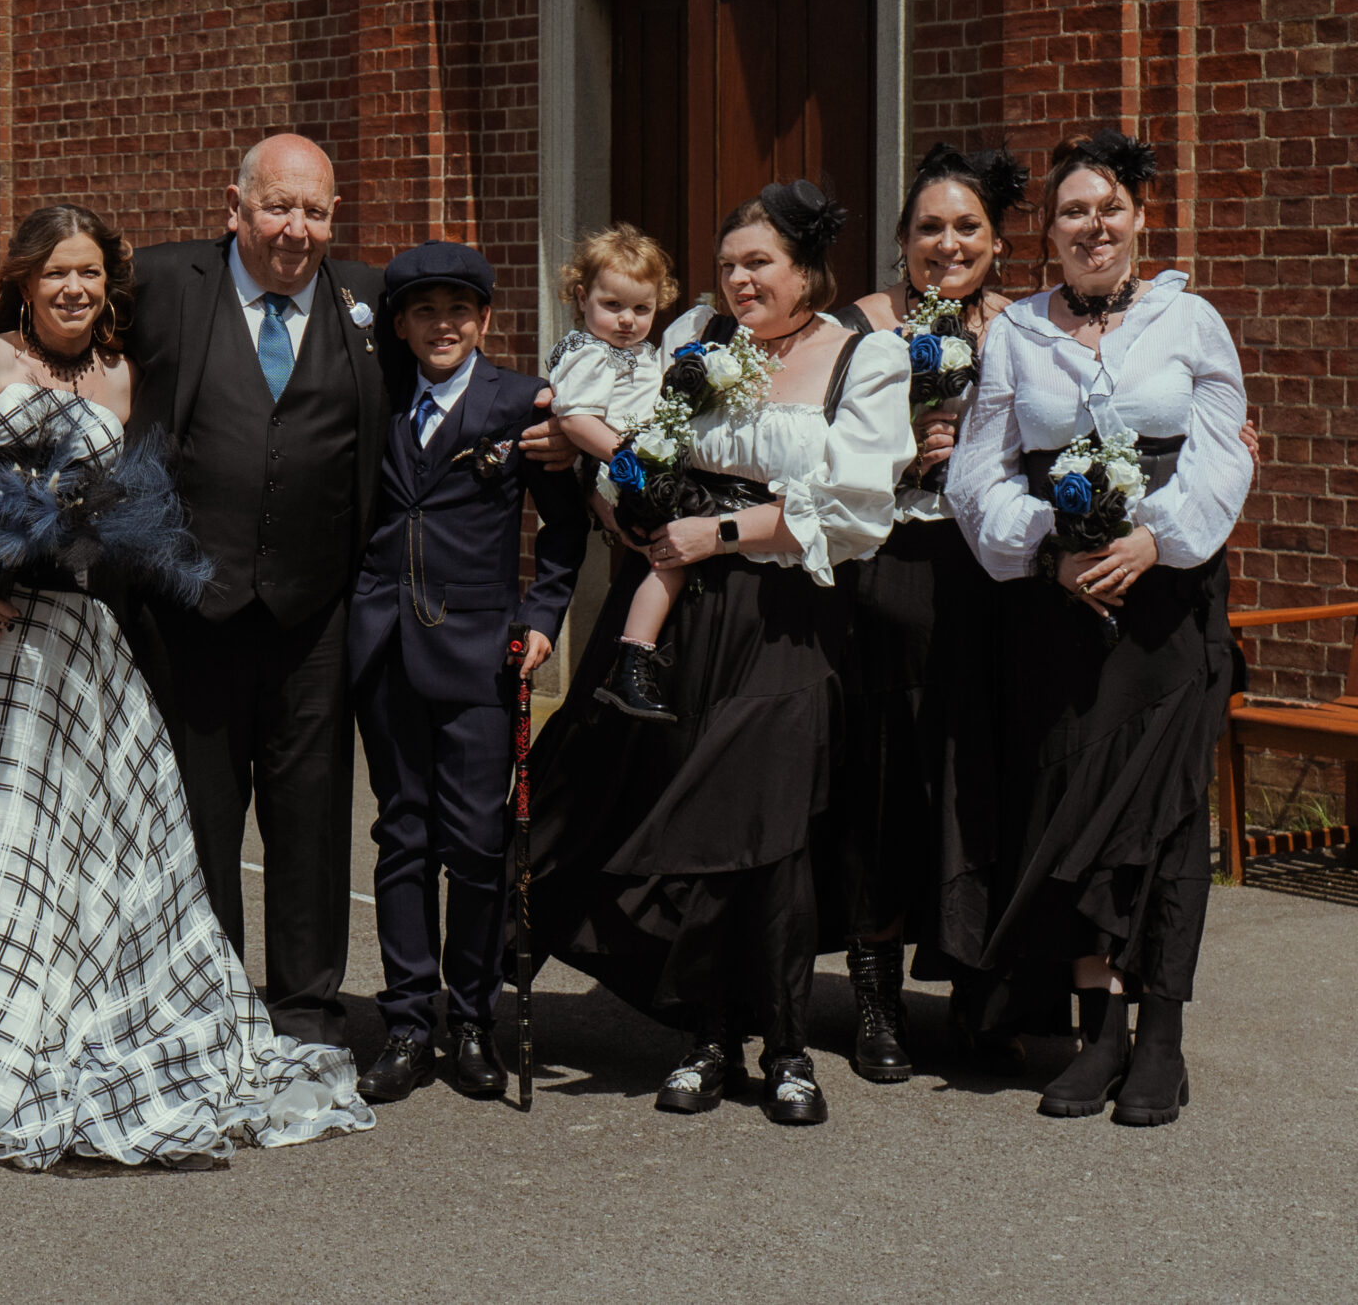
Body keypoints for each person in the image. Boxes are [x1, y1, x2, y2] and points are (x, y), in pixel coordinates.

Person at [0, 203, 374, 1168]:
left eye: (91, 274)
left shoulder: (129, 375)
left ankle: (16, 1039)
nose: (74, 288)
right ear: (24, 280)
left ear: (111, 287)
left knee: (60, 854)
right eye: (56, 272)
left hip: (73, 633)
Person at [0, 135, 388, 1046]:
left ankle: (305, 1009)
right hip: (185, 607)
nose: (296, 228)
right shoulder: (169, 285)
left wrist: (553, 422)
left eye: (316, 211)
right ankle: (204, 1003)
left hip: (312, 614)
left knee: (313, 817)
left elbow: (452, 363)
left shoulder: (366, 301)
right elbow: (63, 320)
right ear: (235, 206)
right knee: (198, 815)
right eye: (278, 206)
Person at [520, 181, 912, 1127]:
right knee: (690, 813)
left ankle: (784, 1046)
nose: (737, 279)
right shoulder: (695, 336)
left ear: (808, 269)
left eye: (758, 262)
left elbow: (858, 509)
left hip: (790, 612)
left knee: (767, 825)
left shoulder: (866, 356)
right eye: (729, 263)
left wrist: (720, 531)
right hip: (683, 601)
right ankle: (705, 1035)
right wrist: (585, 453)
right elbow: (625, 430)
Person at [950, 130, 1253, 1128]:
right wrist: (1049, 548)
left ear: (1137, 220)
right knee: (1073, 815)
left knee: (1164, 824)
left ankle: (1159, 1034)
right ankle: (1098, 1035)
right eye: (1073, 211)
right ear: (1048, 229)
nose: (1093, 226)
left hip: (1170, 606)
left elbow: (1222, 457)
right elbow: (977, 476)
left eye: (1109, 208)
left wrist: (1157, 541)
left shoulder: (1189, 320)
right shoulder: (1017, 337)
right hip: (1063, 610)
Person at [347, 242, 585, 1104]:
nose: (441, 325)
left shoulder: (521, 404)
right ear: (401, 326)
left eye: (458, 310)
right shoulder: (375, 397)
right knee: (401, 834)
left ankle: (474, 1017)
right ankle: (409, 1019)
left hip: (482, 647)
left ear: (484, 320)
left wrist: (541, 618)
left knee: (479, 845)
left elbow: (564, 529)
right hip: (383, 644)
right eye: (423, 311)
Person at [834, 142, 1026, 1084]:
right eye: (928, 228)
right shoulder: (863, 327)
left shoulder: (1029, 325)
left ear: (995, 239)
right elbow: (814, 445)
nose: (947, 243)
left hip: (996, 572)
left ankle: (980, 995)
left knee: (982, 771)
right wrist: (902, 450)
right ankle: (873, 992)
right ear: (902, 241)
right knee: (891, 773)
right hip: (896, 565)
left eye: (967, 227)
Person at [542, 225, 684, 720]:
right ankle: (632, 656)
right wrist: (627, 458)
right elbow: (577, 418)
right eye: (613, 306)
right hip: (618, 470)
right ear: (582, 298)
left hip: (634, 464)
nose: (627, 321)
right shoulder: (589, 353)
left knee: (666, 555)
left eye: (641, 310)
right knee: (673, 555)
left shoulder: (634, 352)